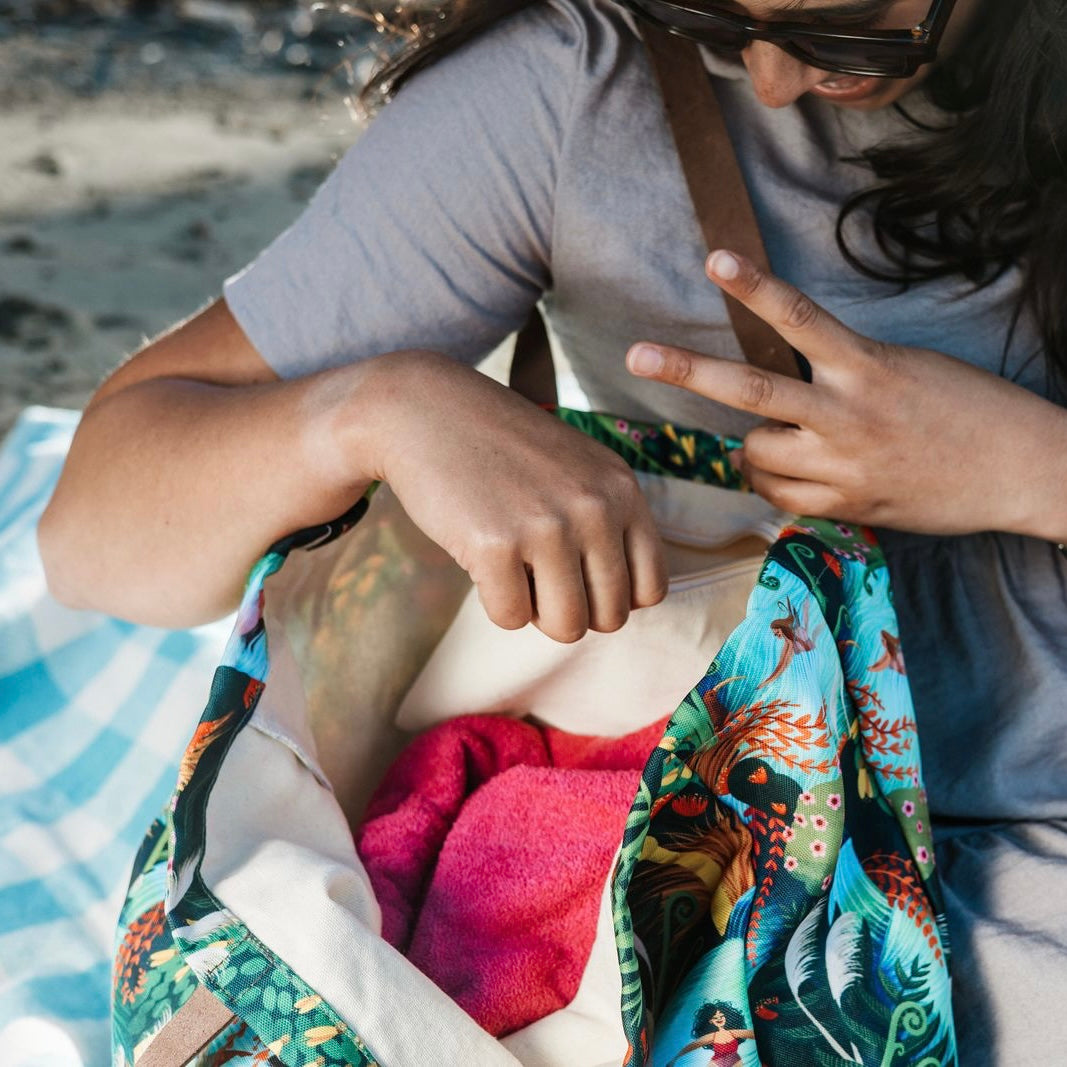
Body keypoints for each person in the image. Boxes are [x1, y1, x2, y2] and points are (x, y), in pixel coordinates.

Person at [38, 0, 1067, 1061]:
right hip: (754, 869)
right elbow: (92, 540)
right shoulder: (587, 86)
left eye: (848, 35)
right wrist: (371, 409)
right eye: (707, 10)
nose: (762, 79)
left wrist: (1024, 464)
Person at [665, 1002, 755, 1067]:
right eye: (715, 1018)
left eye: (722, 1016)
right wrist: (675, 1059)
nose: (719, 1019)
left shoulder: (733, 1033)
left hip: (735, 1061)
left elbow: (752, 1034)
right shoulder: (712, 1036)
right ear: (710, 1021)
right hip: (716, 1063)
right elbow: (692, 1046)